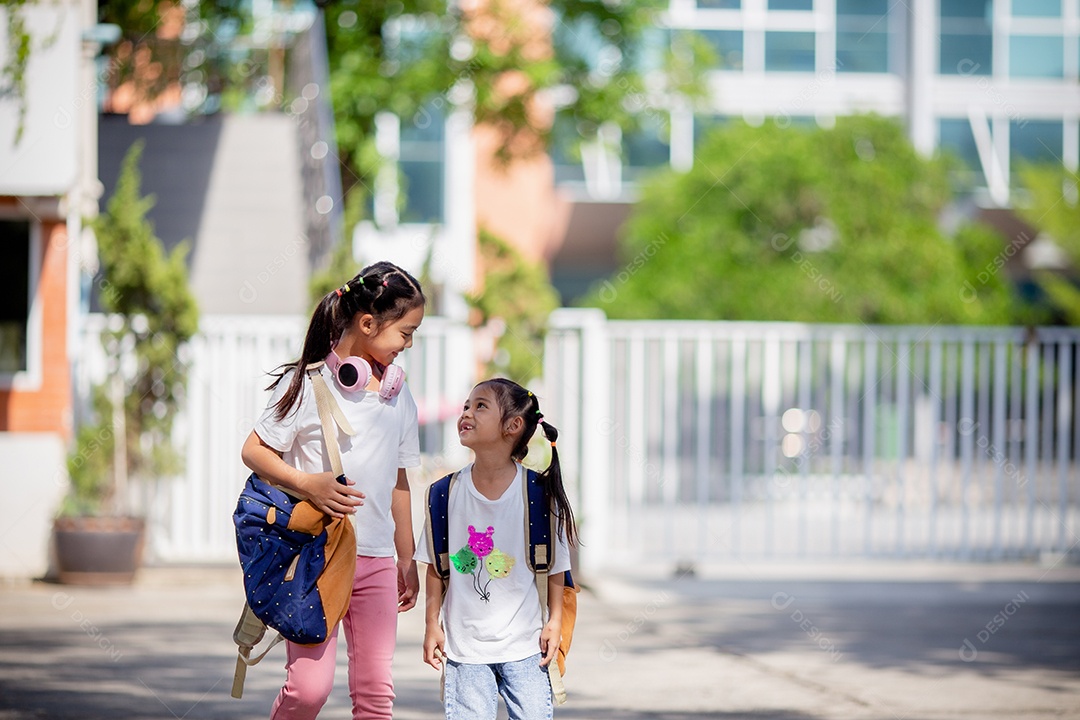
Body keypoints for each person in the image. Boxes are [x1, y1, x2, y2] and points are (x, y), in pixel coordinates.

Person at [240, 260, 425, 720]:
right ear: (367, 323)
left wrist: (407, 557)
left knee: (375, 695)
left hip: (378, 560)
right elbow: (254, 451)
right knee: (308, 691)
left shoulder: (398, 396)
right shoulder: (306, 384)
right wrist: (307, 484)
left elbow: (400, 480)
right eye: (405, 333)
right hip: (316, 560)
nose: (408, 344)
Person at [415, 378, 578, 720]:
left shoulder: (537, 493)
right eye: (466, 406)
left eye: (480, 406)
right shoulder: (444, 493)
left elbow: (557, 567)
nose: (466, 413)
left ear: (513, 426)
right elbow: (435, 567)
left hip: (527, 647)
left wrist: (555, 623)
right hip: (464, 650)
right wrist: (432, 625)